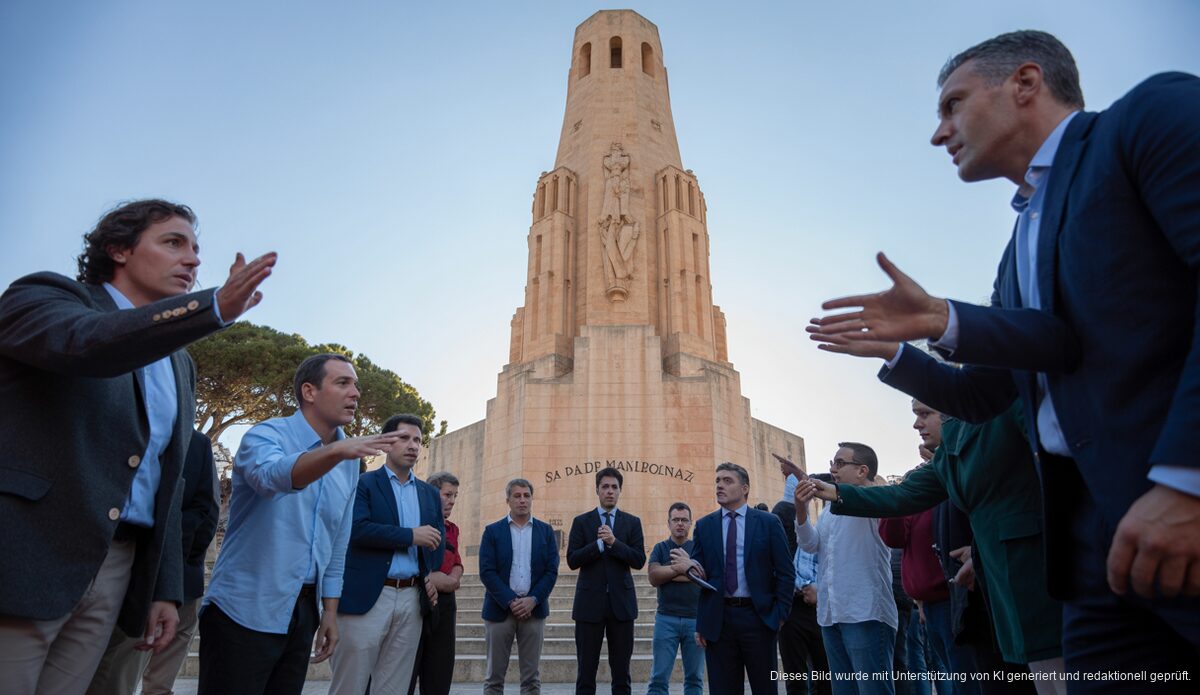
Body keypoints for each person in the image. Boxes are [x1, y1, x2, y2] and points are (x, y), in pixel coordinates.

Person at [808, 30, 1200, 683]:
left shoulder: (1147, 121)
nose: (940, 132)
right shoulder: (1018, 246)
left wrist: (1185, 480)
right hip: (1091, 550)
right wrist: (929, 330)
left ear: (1024, 83)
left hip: (1174, 503)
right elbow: (990, 391)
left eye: (953, 105)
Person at [0, 199, 274, 694]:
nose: (192, 259)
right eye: (173, 243)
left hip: (119, 567)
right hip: (27, 555)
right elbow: (88, 341)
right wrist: (211, 308)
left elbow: (165, 484)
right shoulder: (46, 296)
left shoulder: (181, 364)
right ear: (118, 249)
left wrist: (164, 588)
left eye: (196, 248)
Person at [797, 405, 1064, 693]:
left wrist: (979, 551)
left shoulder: (996, 428)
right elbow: (902, 504)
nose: (915, 424)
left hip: (1016, 591)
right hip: (949, 601)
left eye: (925, 413)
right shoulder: (944, 464)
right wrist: (824, 499)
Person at [198, 354, 404, 695]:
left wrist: (330, 613)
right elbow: (271, 478)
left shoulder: (349, 463)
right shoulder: (266, 435)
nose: (355, 393)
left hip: (304, 612)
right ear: (309, 391)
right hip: (243, 609)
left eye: (356, 385)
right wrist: (336, 451)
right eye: (343, 383)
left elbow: (337, 542)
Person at [87, 430, 220, 695]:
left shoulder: (197, 443)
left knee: (147, 681)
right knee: (116, 675)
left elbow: (206, 513)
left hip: (179, 580)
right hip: (124, 576)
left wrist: (168, 562)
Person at [329, 413, 445, 695]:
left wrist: (427, 574)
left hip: (410, 601)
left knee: (394, 687)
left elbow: (436, 543)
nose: (413, 445)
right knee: (350, 685)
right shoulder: (364, 483)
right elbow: (356, 529)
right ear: (385, 444)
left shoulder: (429, 494)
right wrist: (410, 535)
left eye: (417, 440)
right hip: (367, 597)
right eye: (404, 438)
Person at [794, 445, 897, 695]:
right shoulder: (830, 509)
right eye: (833, 462)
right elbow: (810, 544)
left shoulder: (877, 500)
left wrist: (832, 492)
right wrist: (800, 508)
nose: (832, 469)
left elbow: (878, 501)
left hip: (865, 613)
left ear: (862, 471)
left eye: (840, 463)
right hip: (831, 614)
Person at [688, 462, 794, 694]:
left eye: (727, 481)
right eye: (717, 481)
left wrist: (780, 615)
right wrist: (688, 569)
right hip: (719, 621)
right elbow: (701, 577)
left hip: (759, 618)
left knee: (765, 688)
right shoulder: (704, 526)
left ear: (745, 488)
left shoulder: (768, 522)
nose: (719, 486)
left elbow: (786, 572)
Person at [567, 467, 646, 695]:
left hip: (622, 606)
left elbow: (639, 559)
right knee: (585, 673)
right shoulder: (582, 522)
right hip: (588, 607)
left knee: (622, 674)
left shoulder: (632, 522)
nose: (609, 491)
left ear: (620, 491)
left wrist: (614, 542)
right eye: (605, 487)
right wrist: (598, 545)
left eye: (614, 487)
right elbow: (572, 559)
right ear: (597, 490)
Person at [479, 478, 560, 695]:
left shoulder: (545, 531)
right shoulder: (493, 531)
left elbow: (551, 571)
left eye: (526, 495)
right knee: (494, 678)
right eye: (517, 496)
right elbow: (487, 571)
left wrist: (533, 599)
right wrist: (510, 600)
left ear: (532, 499)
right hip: (499, 610)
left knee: (531, 679)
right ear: (508, 500)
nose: (522, 500)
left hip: (534, 611)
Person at [409, 471, 464, 695]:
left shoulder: (452, 529)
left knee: (439, 673)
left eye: (455, 496)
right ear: (432, 494)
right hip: (416, 601)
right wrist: (429, 578)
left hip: (445, 605)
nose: (452, 501)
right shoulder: (414, 523)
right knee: (407, 672)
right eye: (447, 494)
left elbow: (457, 562)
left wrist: (452, 581)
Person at [646, 502, 704, 695]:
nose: (680, 524)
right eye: (676, 520)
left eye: (684, 520)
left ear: (690, 523)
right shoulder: (660, 548)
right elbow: (654, 576)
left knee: (695, 679)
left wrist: (669, 571)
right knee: (658, 678)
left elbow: (704, 577)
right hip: (666, 619)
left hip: (695, 620)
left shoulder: (698, 548)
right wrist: (685, 569)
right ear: (668, 523)